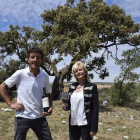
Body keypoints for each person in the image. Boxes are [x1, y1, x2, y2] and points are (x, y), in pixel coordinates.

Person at [0, 47, 53, 140]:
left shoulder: (45, 76)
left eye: (38, 57)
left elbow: (48, 94)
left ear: (41, 60)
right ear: (28, 60)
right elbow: (2, 87)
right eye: (32, 57)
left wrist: (50, 106)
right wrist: (10, 104)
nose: (35, 60)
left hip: (39, 116)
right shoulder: (20, 73)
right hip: (22, 116)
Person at [62, 61, 99, 140]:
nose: (78, 72)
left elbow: (95, 107)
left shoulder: (92, 87)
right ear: (74, 74)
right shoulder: (72, 87)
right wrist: (65, 106)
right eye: (76, 71)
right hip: (73, 122)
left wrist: (94, 127)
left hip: (85, 123)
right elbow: (69, 104)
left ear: (85, 71)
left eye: (80, 70)